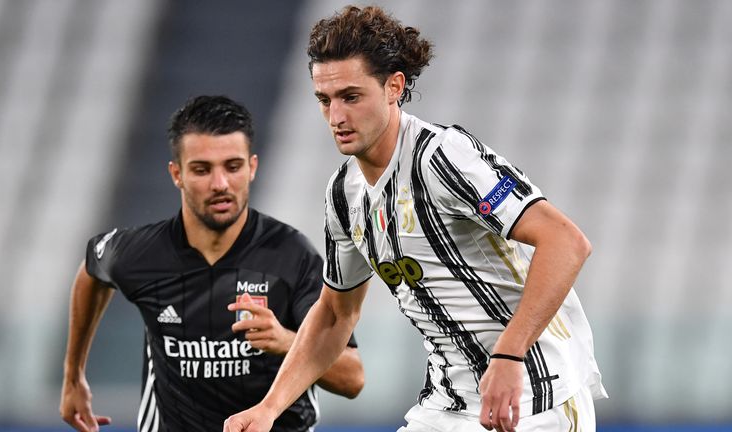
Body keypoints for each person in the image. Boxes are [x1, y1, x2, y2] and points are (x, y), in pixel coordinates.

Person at [223, 5, 607, 432]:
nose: (336, 117)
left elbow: (566, 241)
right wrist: (269, 408)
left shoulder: (442, 156)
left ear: (394, 86)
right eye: (324, 100)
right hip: (448, 404)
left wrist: (508, 353)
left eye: (351, 97)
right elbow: (335, 314)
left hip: (535, 398)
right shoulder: (343, 194)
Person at [59, 95, 365, 432]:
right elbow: (93, 269)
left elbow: (353, 378)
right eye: (202, 169)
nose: (220, 184)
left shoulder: (292, 256)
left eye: (232, 166)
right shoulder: (139, 252)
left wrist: (285, 341)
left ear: (252, 167)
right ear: (176, 173)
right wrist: (73, 376)